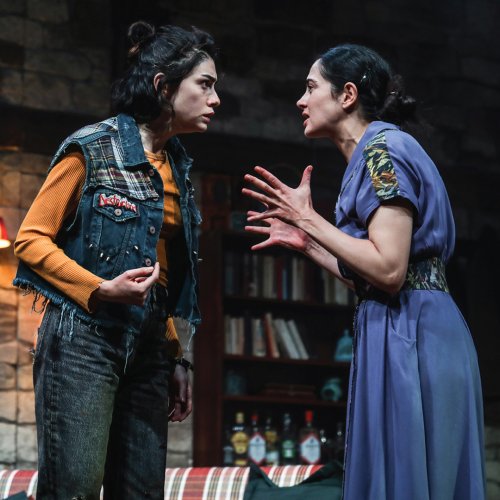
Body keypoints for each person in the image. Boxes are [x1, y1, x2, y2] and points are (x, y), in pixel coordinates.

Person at [242, 44, 485, 499]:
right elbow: (372, 273)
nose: (301, 100)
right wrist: (309, 243)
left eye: (311, 87)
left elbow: (390, 270)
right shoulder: (371, 156)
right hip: (397, 325)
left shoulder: (383, 152)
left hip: (415, 333)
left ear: (347, 94)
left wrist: (308, 219)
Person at [13, 20, 220, 499]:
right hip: (85, 339)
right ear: (163, 86)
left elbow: (159, 278)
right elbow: (31, 240)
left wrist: (176, 356)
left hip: (149, 346)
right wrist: (100, 288)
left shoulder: (178, 166)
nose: (215, 100)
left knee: (141, 491)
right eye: (205, 85)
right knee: (75, 489)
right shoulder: (92, 147)